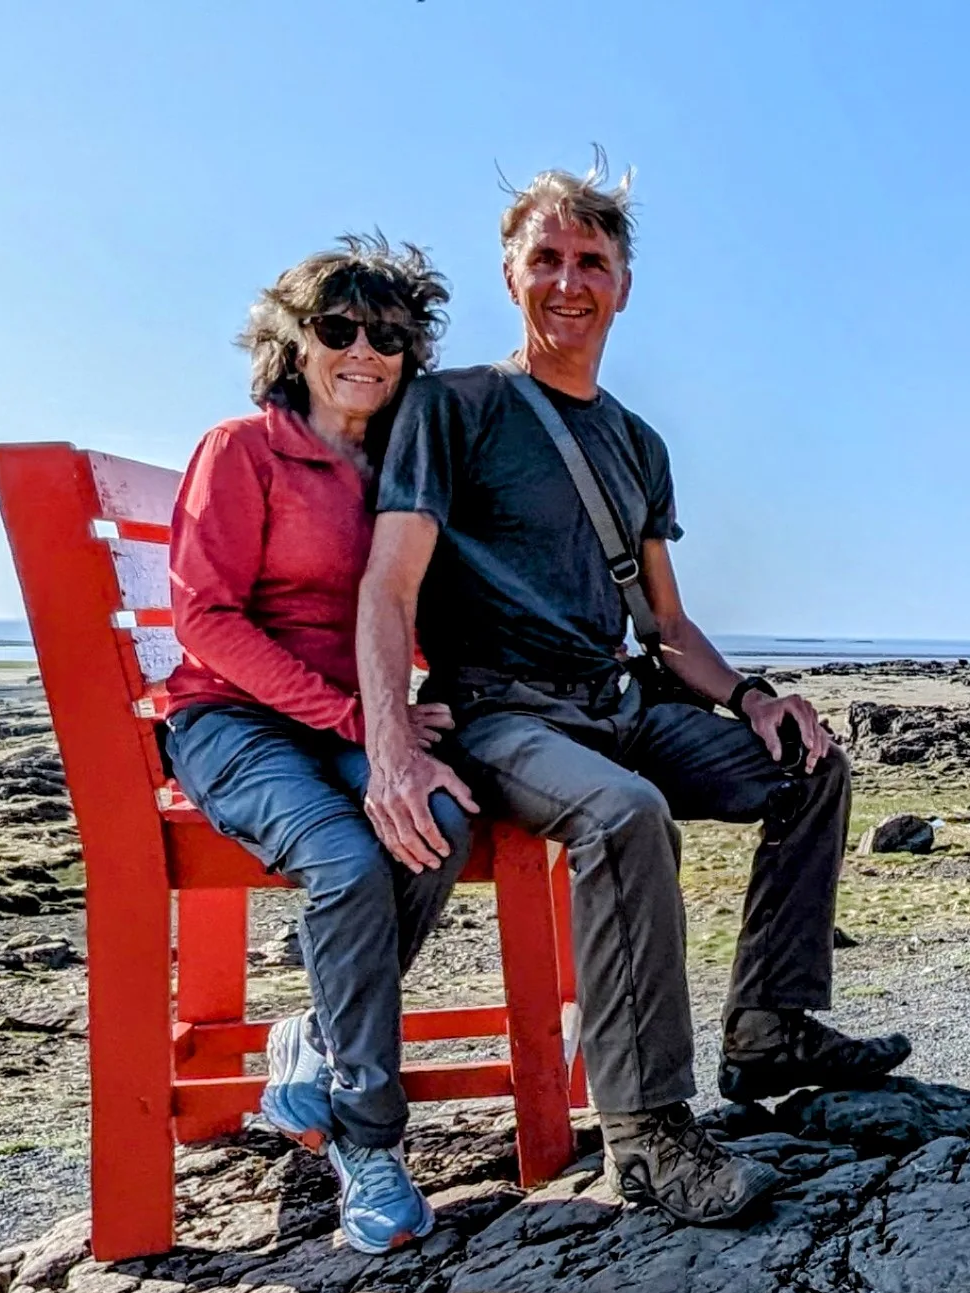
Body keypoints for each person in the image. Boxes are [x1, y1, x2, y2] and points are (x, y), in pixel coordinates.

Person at [357, 162, 910, 1226]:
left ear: (623, 285)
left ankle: (770, 1026)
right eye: (548, 261)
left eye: (592, 263)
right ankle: (648, 1133)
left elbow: (664, 622)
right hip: (502, 716)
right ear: (511, 275)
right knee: (624, 814)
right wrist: (392, 743)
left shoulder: (638, 441)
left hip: (615, 702)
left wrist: (754, 697)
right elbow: (387, 586)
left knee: (809, 766)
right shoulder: (451, 408)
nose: (571, 283)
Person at [162, 235, 476, 1254]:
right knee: (346, 859)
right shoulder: (241, 451)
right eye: (337, 328)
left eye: (387, 335)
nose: (364, 351)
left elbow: (411, 611)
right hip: (230, 721)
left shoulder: (394, 469)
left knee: (436, 817)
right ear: (293, 343)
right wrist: (358, 722)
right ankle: (369, 1139)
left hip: (345, 720)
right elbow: (204, 620)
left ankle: (321, 1036)